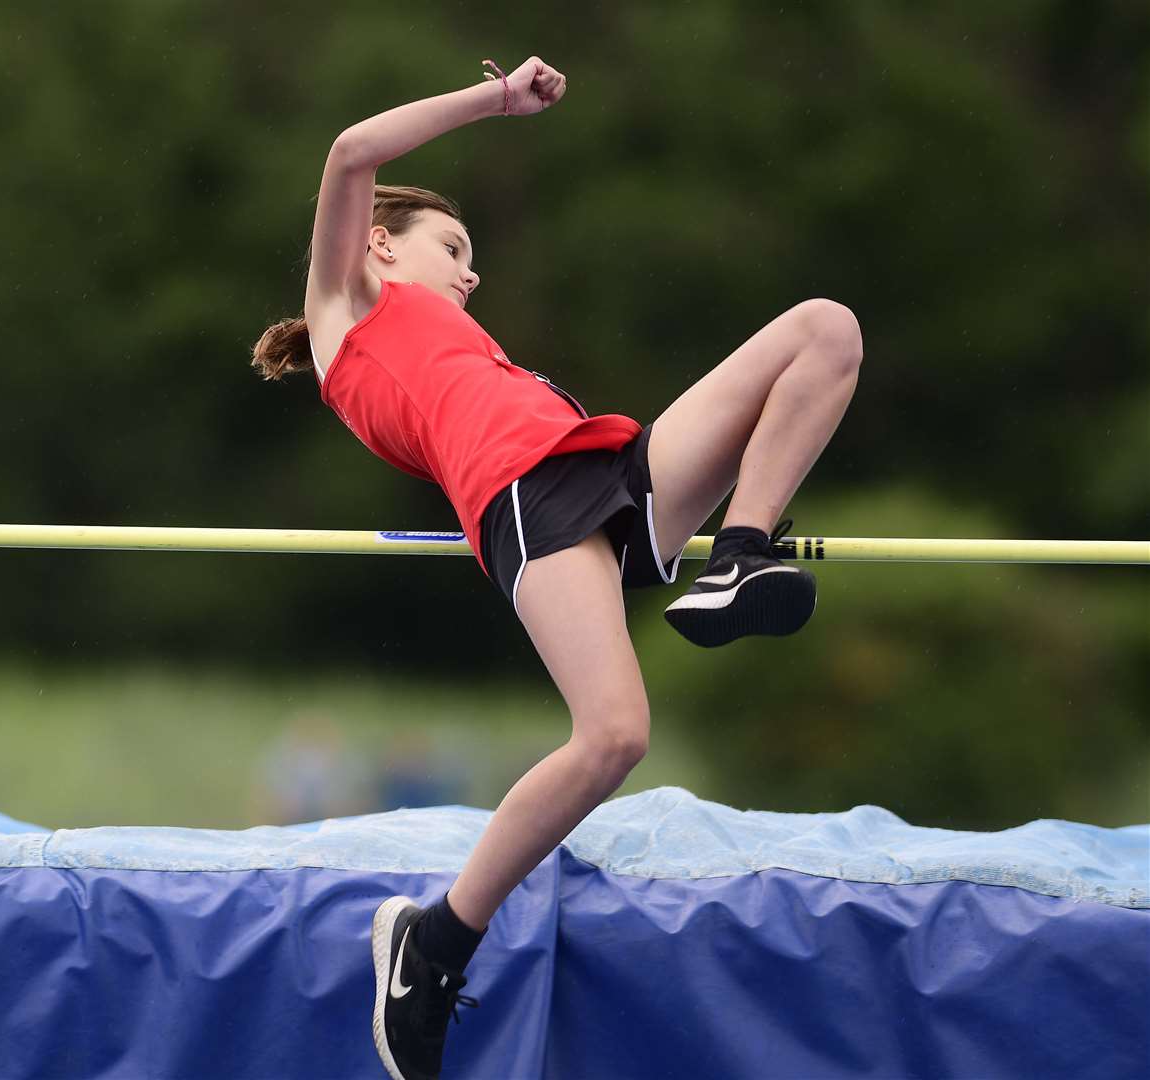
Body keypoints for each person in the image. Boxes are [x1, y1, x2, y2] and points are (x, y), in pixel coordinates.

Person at [250, 57, 862, 1080]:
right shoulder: (345, 312)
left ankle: (741, 556)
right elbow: (351, 150)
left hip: (604, 466)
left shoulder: (462, 340)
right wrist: (495, 100)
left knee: (825, 330)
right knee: (616, 734)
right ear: (376, 244)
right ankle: (435, 940)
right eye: (456, 248)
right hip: (525, 499)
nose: (472, 272)